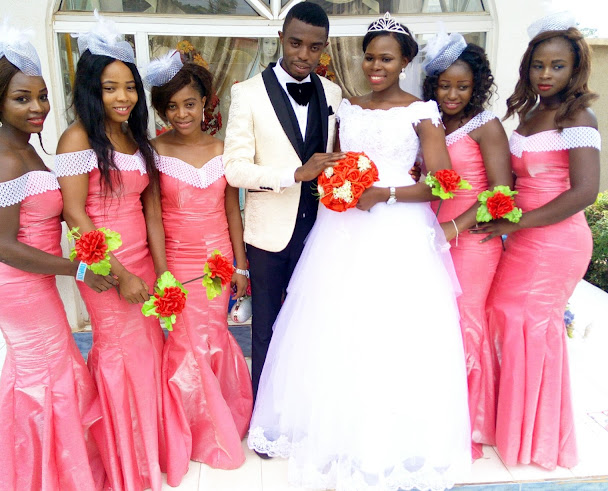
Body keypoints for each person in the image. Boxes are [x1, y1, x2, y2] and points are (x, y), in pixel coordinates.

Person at [247, 13, 471, 490]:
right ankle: (336, 428)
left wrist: (384, 194)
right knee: (335, 325)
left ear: (405, 62)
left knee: (390, 330)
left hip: (396, 231)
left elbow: (442, 183)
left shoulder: (421, 112)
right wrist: (339, 187)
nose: (375, 66)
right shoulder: (347, 108)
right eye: (370, 57)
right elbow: (334, 165)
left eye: (386, 59)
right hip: (341, 230)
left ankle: (386, 435)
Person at [0, 25, 114, 490]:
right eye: (22, 99)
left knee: (40, 373)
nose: (37, 107)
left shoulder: (23, 147)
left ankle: (42, 470)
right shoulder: (2, 158)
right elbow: (2, 246)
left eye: (42, 96)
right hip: (15, 287)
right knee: (46, 377)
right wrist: (79, 268)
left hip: (31, 282)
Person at [474, 11, 600, 470]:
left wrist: (516, 224)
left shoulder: (579, 117)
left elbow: (585, 192)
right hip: (523, 235)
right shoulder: (528, 113)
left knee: (530, 325)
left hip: (557, 240)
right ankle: (510, 424)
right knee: (502, 315)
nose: (545, 74)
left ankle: (536, 439)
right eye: (538, 65)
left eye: (557, 66)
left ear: (575, 69)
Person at [54, 14, 169, 490]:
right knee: (121, 356)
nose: (124, 97)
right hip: (107, 268)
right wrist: (121, 275)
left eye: (130, 87)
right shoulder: (77, 138)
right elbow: (75, 214)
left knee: (148, 354)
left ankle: (148, 447)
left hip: (142, 263)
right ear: (90, 90)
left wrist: (161, 271)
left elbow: (151, 210)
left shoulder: (134, 137)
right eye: (110, 88)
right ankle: (124, 457)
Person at [223, 1, 344, 403]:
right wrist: (294, 174)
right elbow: (235, 170)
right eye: (295, 43)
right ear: (280, 38)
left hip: (320, 232)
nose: (304, 55)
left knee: (311, 326)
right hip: (269, 237)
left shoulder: (332, 93)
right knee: (266, 329)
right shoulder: (247, 94)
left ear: (324, 47)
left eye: (315, 47)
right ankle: (265, 414)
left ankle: (304, 407)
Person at [145, 52, 253, 480]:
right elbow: (153, 216)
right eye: (171, 106)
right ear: (161, 110)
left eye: (189, 103)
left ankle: (221, 417)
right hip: (178, 261)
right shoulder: (154, 152)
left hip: (219, 260)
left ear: (204, 103)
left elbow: (232, 212)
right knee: (186, 344)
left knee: (214, 336)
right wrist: (161, 272)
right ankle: (194, 429)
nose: (181, 114)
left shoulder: (222, 150)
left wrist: (241, 266)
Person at [422, 32, 512, 460]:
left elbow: (501, 193)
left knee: (466, 324)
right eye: (445, 86)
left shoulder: (485, 125)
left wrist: (453, 229)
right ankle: (438, 416)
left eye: (462, 86)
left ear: (476, 86)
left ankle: (471, 425)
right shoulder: (430, 123)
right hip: (431, 236)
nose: (452, 94)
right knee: (437, 325)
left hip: (471, 241)